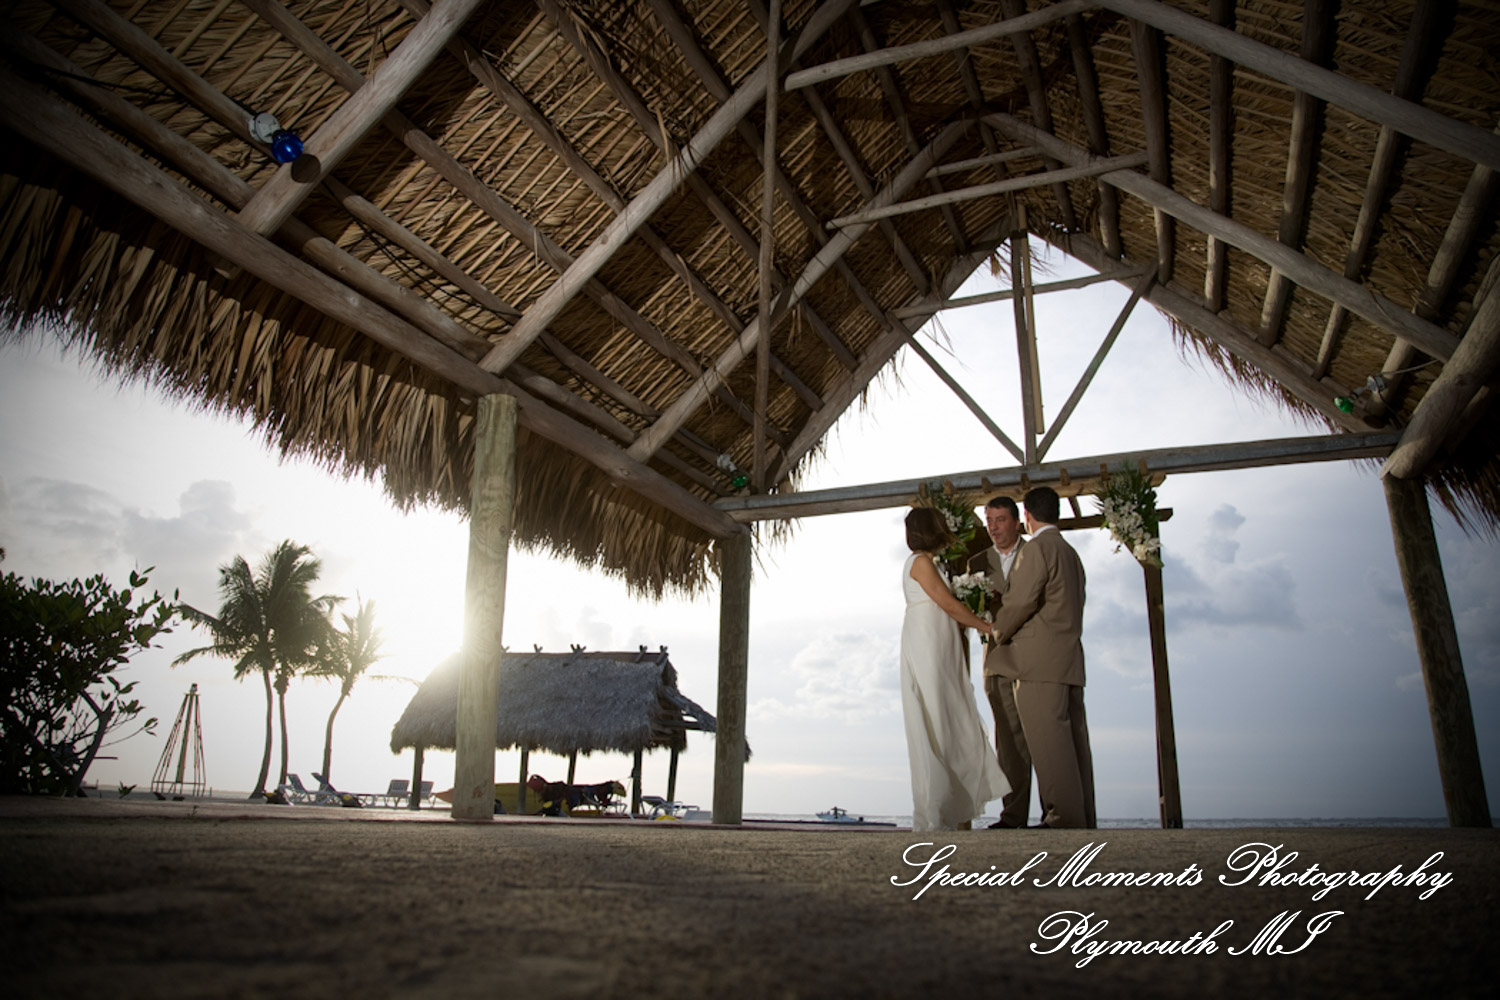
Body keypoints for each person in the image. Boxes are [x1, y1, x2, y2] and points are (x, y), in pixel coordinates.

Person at [988, 487, 1096, 830]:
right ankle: (1082, 817)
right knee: (1074, 747)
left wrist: (996, 632)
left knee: (1050, 747)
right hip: (1068, 660)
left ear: (1027, 517)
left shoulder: (1037, 549)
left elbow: (1020, 601)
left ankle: (1063, 818)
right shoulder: (1070, 553)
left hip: (1038, 664)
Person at [900, 507, 1010, 832]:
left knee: (948, 716)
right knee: (936, 717)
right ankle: (937, 807)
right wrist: (985, 627)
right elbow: (947, 603)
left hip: (939, 638)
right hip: (928, 642)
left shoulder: (928, 562)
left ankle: (952, 800)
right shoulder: (920, 562)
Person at [967, 496, 1033, 829]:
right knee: (1007, 740)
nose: (993, 527)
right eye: (989, 520)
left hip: (1036, 658)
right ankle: (1014, 815)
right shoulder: (977, 562)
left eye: (1000, 520)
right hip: (997, 659)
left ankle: (1058, 812)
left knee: (1043, 737)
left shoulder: (1035, 553)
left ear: (1017, 521)